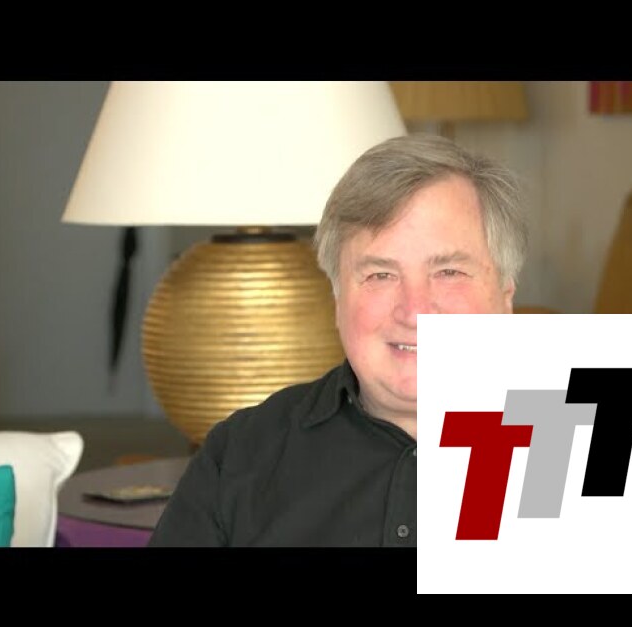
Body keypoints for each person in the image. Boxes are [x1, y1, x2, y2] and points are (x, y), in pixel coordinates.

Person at [148, 133, 528, 547]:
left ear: (506, 295)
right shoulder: (242, 453)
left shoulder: (571, 445)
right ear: (337, 299)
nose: (414, 310)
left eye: (449, 272)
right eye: (380, 275)